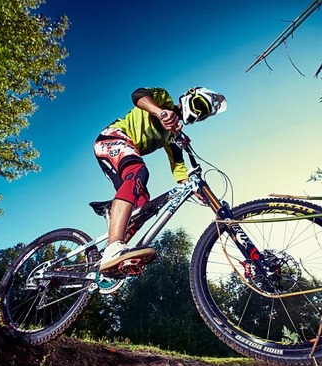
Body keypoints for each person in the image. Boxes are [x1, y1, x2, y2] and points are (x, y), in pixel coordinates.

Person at [93, 87, 227, 274]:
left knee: (143, 205)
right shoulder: (162, 100)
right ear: (187, 98)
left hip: (124, 153)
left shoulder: (173, 136)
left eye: (201, 115)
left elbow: (179, 170)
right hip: (112, 138)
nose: (196, 113)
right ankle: (114, 246)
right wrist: (160, 111)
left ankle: (113, 257)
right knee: (138, 171)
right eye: (197, 105)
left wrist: (193, 188)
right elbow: (138, 96)